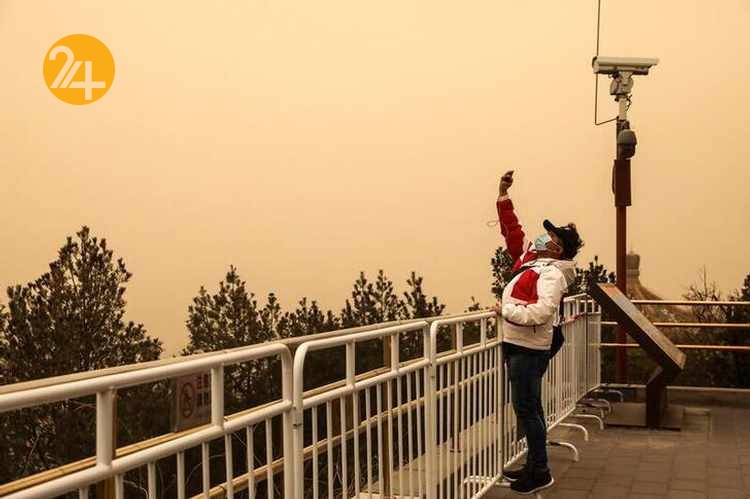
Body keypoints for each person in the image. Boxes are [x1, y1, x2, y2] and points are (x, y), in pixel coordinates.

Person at [492, 170, 583, 495]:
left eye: (550, 236)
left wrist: (506, 311)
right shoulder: (534, 261)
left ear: (557, 249)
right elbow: (512, 233)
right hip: (522, 344)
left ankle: (540, 470)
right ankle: (533, 464)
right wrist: (503, 196)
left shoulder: (551, 274)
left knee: (528, 409)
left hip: (528, 348)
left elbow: (543, 311)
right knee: (531, 407)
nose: (542, 237)